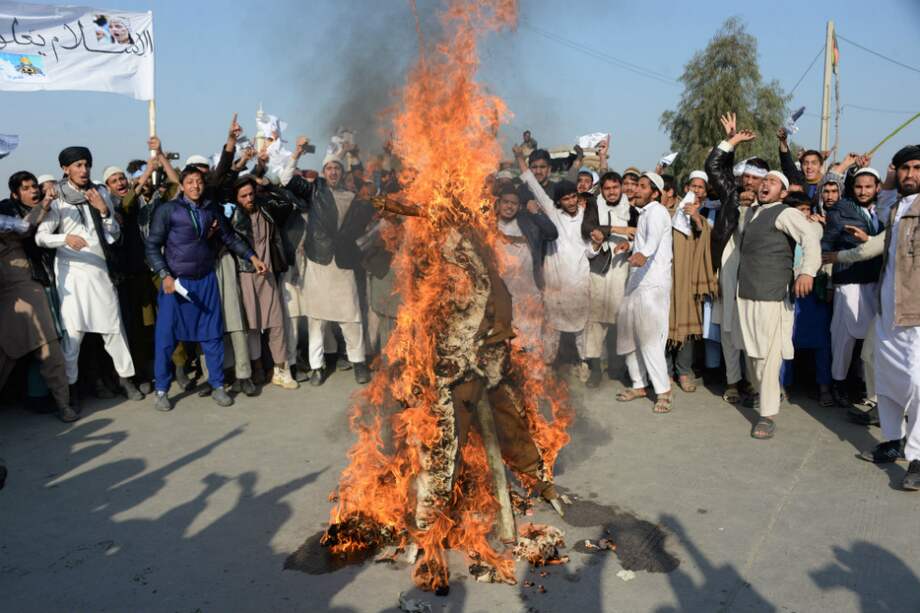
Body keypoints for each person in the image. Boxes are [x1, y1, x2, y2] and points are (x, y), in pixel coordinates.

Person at [145, 166, 268, 411]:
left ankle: (218, 385)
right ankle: (161, 390)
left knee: (212, 335)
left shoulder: (211, 209)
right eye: (190, 182)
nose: (195, 186)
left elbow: (229, 237)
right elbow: (152, 246)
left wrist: (252, 257)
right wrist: (164, 274)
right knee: (166, 338)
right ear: (181, 185)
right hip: (176, 284)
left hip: (206, 280)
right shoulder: (167, 210)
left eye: (199, 181)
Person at [837, 144, 920, 490]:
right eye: (905, 169)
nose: (911, 175)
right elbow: (878, 195)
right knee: (888, 379)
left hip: (916, 312)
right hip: (889, 307)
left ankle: (917, 456)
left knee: (917, 382)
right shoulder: (895, 206)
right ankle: (892, 439)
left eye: (917, 168)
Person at [35, 146, 143, 409]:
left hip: (100, 270)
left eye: (87, 164)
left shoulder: (99, 191)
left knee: (114, 329)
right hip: (72, 275)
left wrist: (104, 211)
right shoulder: (57, 197)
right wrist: (65, 238)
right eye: (78, 165)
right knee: (73, 335)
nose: (84, 170)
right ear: (65, 169)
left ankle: (125, 380)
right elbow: (41, 236)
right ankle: (68, 392)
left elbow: (113, 235)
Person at [733, 161, 822, 439]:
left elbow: (809, 237)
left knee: (769, 356)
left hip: (771, 294)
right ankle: (767, 393)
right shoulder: (753, 213)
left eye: (772, 181)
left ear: (783, 192)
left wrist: (807, 272)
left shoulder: (785, 213)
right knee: (753, 354)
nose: (765, 184)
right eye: (764, 180)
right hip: (747, 292)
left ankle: (767, 414)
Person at [281, 138, 375, 386]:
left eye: (337, 168)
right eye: (329, 168)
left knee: (351, 317)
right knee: (316, 320)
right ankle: (317, 367)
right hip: (318, 263)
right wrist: (297, 154)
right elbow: (285, 179)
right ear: (324, 173)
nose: (333, 172)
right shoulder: (314, 192)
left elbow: (366, 210)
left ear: (342, 173)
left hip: (343, 264)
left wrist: (354, 156)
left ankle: (358, 363)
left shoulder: (352, 196)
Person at [103, 136, 181, 395]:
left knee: (170, 319)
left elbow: (175, 184)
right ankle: (145, 372)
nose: (121, 183)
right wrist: (147, 171)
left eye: (122, 179)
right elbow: (126, 204)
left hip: (162, 269)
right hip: (134, 274)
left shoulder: (160, 200)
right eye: (115, 181)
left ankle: (178, 368)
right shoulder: (119, 206)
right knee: (141, 327)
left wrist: (161, 158)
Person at [0, 172, 77, 422]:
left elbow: (27, 229)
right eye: (26, 188)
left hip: (35, 289)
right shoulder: (6, 212)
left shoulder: (45, 208)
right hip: (11, 295)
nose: (33, 191)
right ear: (15, 194)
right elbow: (22, 228)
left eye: (35, 187)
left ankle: (63, 403)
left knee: (49, 348)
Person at [705, 114, 767, 403]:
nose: (749, 183)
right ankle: (733, 381)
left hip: (759, 270)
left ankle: (755, 383)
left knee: (754, 327)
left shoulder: (772, 206)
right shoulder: (732, 195)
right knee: (729, 325)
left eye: (756, 179)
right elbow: (713, 166)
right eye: (747, 177)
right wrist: (732, 140)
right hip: (730, 261)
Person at [514, 147, 590, 367]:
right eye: (534, 166)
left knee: (580, 321)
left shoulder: (583, 212)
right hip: (545, 266)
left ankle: (583, 363)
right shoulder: (543, 202)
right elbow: (530, 181)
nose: (569, 200)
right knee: (550, 320)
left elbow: (570, 181)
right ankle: (546, 363)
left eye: (572, 197)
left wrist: (578, 162)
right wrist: (519, 158)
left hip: (578, 276)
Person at [822, 159, 885, 407]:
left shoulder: (884, 210)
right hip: (848, 281)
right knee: (843, 337)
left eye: (868, 187)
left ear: (877, 188)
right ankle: (838, 383)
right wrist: (828, 280)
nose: (863, 191)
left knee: (870, 339)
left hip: (874, 282)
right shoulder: (840, 208)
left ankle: (863, 385)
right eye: (859, 186)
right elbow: (827, 245)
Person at [231, 176, 300, 390]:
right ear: (236, 198)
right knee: (252, 326)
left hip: (268, 273)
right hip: (246, 274)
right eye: (243, 196)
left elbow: (290, 204)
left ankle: (281, 369)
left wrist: (269, 186)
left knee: (276, 323)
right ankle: (258, 367)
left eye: (251, 193)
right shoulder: (232, 217)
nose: (249, 198)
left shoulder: (265, 208)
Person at [613, 172, 674, 413]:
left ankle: (664, 391)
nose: (635, 190)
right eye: (635, 186)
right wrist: (630, 246)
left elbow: (654, 241)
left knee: (649, 338)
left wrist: (643, 253)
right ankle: (639, 384)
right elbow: (645, 239)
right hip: (637, 283)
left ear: (655, 192)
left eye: (642, 186)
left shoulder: (657, 211)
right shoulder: (645, 214)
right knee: (628, 334)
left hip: (652, 286)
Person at [666, 172, 719, 393]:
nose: (696, 190)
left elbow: (703, 231)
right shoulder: (668, 213)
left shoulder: (703, 219)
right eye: (692, 186)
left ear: (705, 193)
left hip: (688, 280)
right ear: (686, 187)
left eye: (700, 187)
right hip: (667, 279)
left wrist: (696, 217)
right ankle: (666, 372)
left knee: (687, 326)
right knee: (665, 326)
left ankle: (684, 372)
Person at [581, 171, 632, 387]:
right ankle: (595, 369)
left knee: (621, 317)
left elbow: (640, 232)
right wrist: (612, 230)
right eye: (607, 188)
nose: (611, 192)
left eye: (615, 187)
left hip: (623, 267)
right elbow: (587, 228)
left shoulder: (632, 206)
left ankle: (621, 367)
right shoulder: (594, 204)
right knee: (595, 319)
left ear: (621, 187)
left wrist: (630, 244)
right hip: (599, 267)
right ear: (601, 189)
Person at [494, 185, 558, 356]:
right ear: (498, 203)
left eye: (514, 203)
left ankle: (532, 378)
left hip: (528, 295)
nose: (509, 206)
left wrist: (535, 211)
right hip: (501, 298)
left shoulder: (527, 223)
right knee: (504, 345)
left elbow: (552, 233)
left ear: (519, 206)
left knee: (530, 346)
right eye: (506, 202)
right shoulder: (488, 223)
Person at [778, 128, 824, 199]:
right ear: (801, 166)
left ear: (820, 166)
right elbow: (787, 163)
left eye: (813, 163)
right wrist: (783, 141)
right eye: (805, 163)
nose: (809, 167)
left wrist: (800, 189)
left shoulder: (826, 183)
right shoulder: (798, 179)